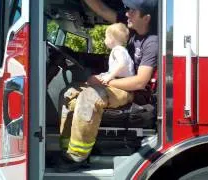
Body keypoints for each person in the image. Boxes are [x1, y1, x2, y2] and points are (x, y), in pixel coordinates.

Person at [57, 0, 158, 171]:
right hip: (117, 85)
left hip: (133, 92)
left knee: (90, 97)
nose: (127, 14)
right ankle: (67, 148)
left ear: (146, 18)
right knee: (69, 93)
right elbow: (102, 9)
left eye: (132, 11)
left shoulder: (152, 43)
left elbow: (140, 82)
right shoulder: (132, 29)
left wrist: (104, 81)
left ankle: (77, 157)